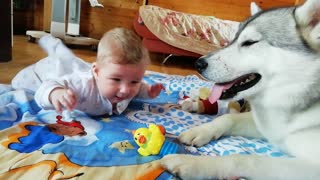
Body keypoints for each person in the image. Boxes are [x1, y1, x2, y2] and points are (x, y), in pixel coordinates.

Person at [12, 27, 164, 116]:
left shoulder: (128, 84)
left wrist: (148, 91)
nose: (125, 90)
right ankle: (51, 42)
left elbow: (138, 90)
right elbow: (47, 86)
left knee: (72, 60)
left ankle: (57, 47)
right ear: (96, 72)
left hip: (85, 68)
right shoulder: (81, 86)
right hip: (48, 72)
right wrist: (55, 93)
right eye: (116, 80)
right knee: (57, 64)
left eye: (134, 81)